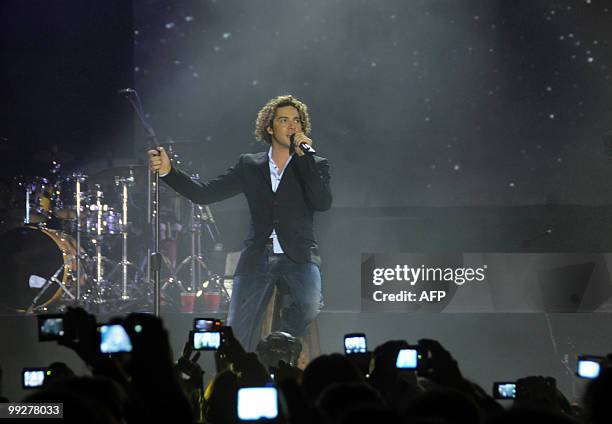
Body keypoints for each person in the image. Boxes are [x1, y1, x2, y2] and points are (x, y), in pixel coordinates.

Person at [148, 95, 332, 351]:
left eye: (297, 121)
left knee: (311, 304)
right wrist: (169, 172)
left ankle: (278, 341)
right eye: (284, 120)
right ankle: (238, 374)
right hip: (258, 254)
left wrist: (305, 160)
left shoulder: (314, 164)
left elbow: (322, 202)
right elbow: (205, 193)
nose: (292, 126)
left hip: (299, 254)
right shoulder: (250, 165)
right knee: (236, 332)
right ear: (269, 128)